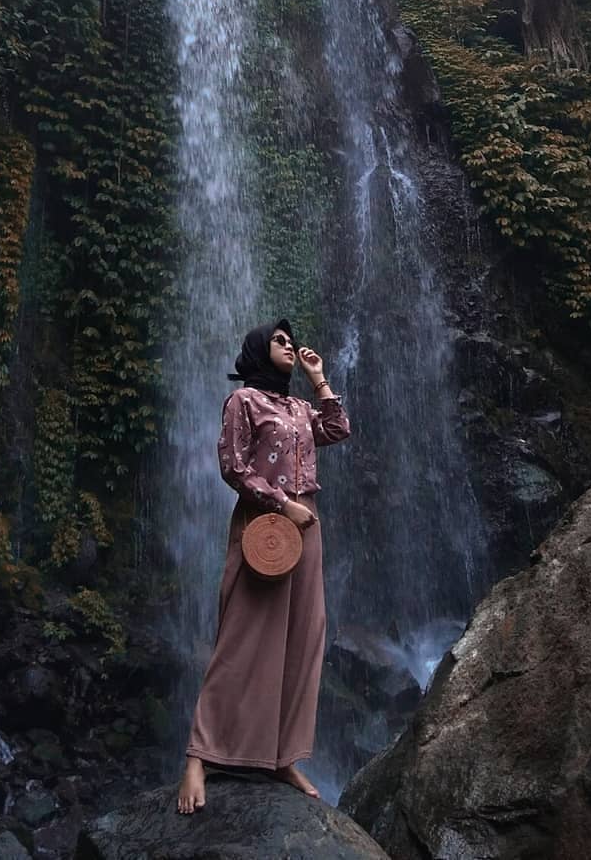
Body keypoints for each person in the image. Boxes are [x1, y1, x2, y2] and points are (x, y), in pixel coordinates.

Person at [177, 318, 351, 814]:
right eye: (279, 341)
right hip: (264, 525)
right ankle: (198, 755)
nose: (290, 346)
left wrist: (318, 378)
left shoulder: (297, 407)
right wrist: (281, 504)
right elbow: (233, 466)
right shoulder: (244, 402)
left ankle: (281, 755)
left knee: (304, 636)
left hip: (307, 527)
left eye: (292, 342)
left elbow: (338, 428)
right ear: (256, 350)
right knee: (242, 637)